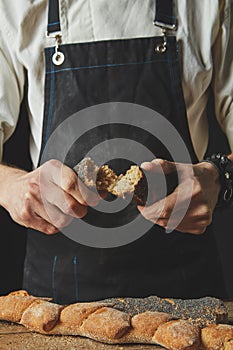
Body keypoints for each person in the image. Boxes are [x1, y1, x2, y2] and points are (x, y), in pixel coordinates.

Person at [0, 0, 232, 304]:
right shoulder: (15, 7)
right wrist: (11, 186)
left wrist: (219, 178)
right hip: (59, 301)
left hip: (186, 295)